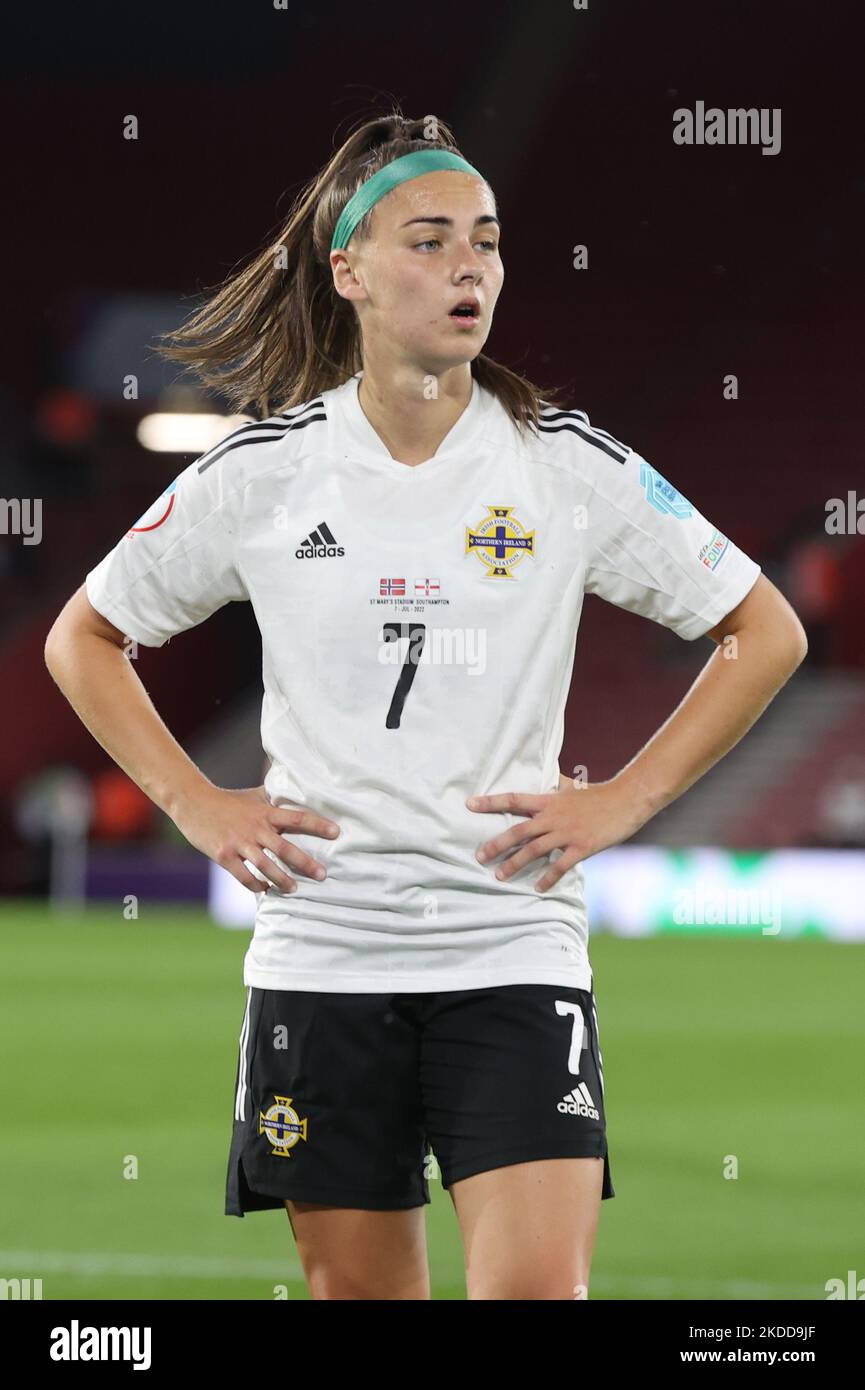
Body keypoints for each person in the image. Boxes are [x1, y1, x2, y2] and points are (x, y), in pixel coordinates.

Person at [44, 111, 808, 1300]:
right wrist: (195, 804)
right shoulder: (266, 473)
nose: (470, 267)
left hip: (511, 946)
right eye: (431, 239)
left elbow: (764, 627)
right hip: (324, 956)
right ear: (347, 269)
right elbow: (84, 637)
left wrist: (623, 802)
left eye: (488, 241)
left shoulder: (565, 466)